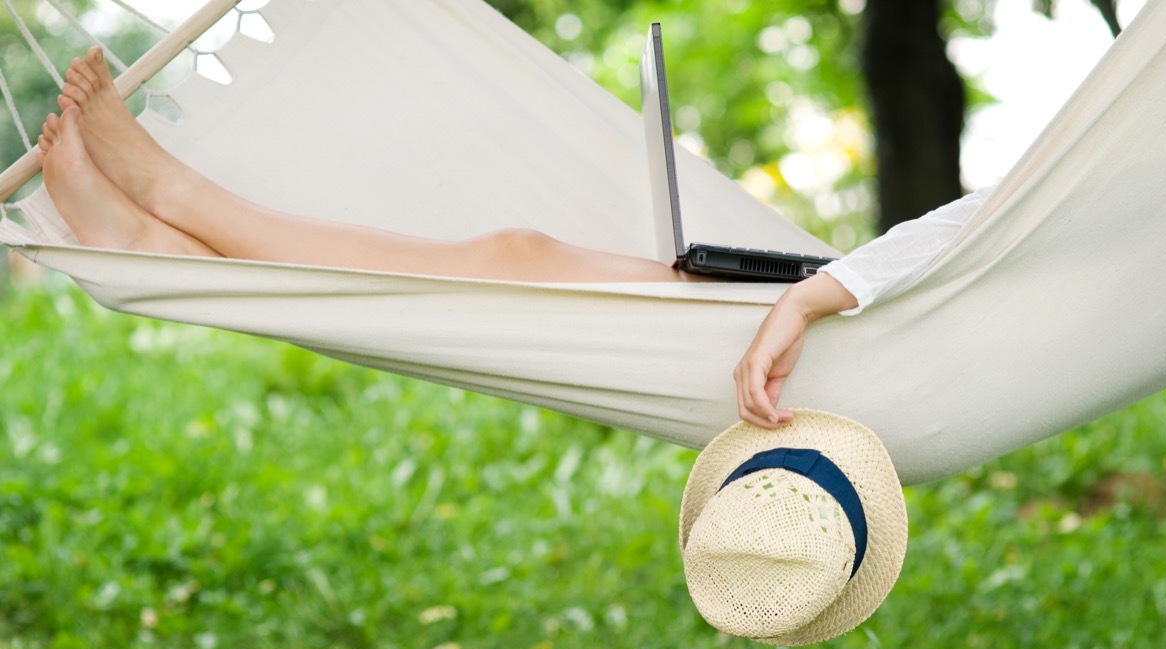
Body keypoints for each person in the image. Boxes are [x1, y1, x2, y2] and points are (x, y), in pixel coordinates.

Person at [37, 48, 989, 434]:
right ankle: (159, 236)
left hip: (878, 347)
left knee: (515, 266)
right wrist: (825, 283)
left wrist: (818, 292)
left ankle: (168, 205)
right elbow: (989, 225)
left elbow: (1001, 230)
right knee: (520, 253)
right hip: (884, 312)